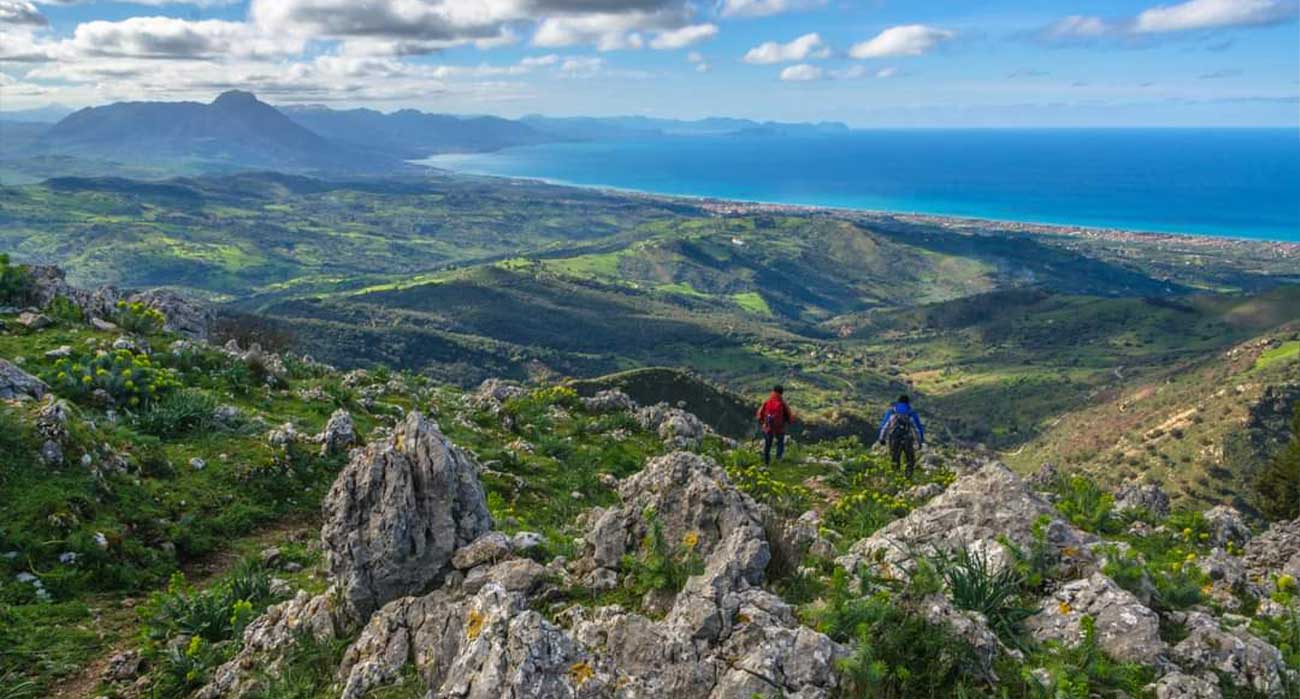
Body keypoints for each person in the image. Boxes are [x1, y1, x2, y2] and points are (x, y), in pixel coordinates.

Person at [878, 394, 925, 477]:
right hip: (908, 439)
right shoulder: (911, 412)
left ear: (898, 402)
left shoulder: (891, 411)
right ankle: (908, 477)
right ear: (908, 403)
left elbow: (884, 425)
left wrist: (882, 439)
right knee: (910, 460)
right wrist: (920, 441)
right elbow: (918, 428)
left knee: (895, 459)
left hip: (894, 439)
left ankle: (895, 478)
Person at [757, 385, 794, 466]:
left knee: (768, 444)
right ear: (781, 393)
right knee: (780, 443)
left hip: (768, 427)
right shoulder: (782, 403)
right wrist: (788, 422)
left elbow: (759, 414)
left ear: (773, 391)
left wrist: (763, 423)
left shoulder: (767, 402)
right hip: (779, 428)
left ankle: (766, 462)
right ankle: (778, 460)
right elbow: (790, 417)